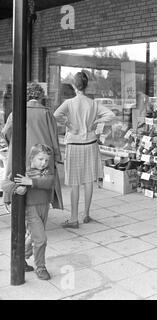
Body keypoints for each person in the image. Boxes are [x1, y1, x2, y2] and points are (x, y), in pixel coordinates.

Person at [54, 71, 115, 228]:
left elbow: (55, 115)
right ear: (86, 86)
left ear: (74, 85)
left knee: (75, 183)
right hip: (90, 143)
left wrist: (68, 123)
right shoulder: (93, 103)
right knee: (88, 181)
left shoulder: (69, 103)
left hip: (74, 145)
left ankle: (74, 218)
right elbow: (111, 115)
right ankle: (86, 214)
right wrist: (97, 122)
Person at [2, 82, 63, 209]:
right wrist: (57, 157)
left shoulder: (17, 112)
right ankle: (37, 210)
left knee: (19, 179)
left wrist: (11, 144)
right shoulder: (47, 113)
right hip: (41, 153)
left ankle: (22, 210)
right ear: (40, 96)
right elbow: (54, 137)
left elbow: (5, 132)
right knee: (39, 180)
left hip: (20, 153)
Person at [2, 144, 56, 280]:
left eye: (46, 160)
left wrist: (30, 182)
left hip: (44, 207)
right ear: (32, 157)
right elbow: (4, 184)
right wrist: (16, 188)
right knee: (41, 239)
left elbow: (49, 182)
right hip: (30, 209)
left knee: (33, 236)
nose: (44, 163)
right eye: (40, 159)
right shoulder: (23, 171)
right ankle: (40, 267)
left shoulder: (47, 171)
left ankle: (21, 258)